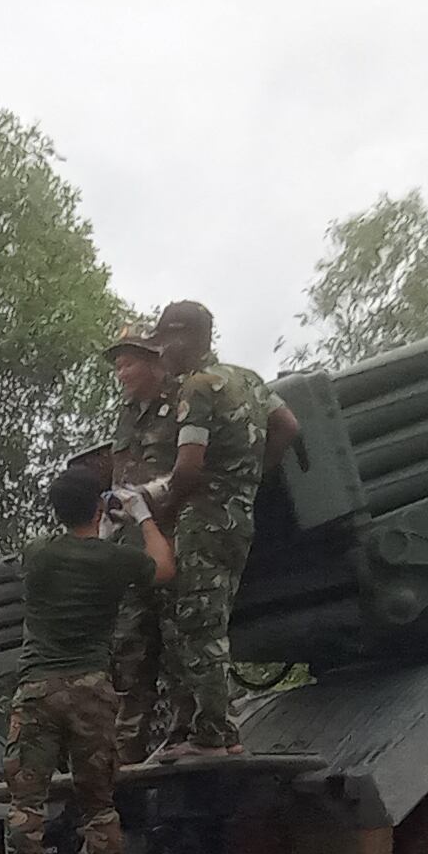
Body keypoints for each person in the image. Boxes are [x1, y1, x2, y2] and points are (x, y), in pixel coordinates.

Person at [3, 463, 172, 854]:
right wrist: (140, 516)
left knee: (26, 802)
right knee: (98, 802)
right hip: (92, 692)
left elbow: (69, 547)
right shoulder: (113, 562)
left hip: (37, 689)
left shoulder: (36, 554)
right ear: (100, 505)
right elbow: (163, 568)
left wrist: (98, 523)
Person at [145, 299, 299, 750]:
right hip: (239, 515)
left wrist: (163, 508)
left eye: (164, 342)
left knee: (198, 627)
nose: (161, 353)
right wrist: (252, 477)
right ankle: (201, 728)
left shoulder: (197, 387)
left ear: (185, 338)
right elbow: (288, 426)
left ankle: (216, 734)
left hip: (204, 520)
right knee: (211, 618)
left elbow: (189, 467)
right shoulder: (247, 379)